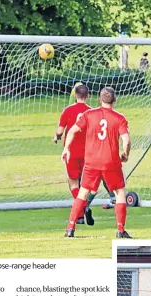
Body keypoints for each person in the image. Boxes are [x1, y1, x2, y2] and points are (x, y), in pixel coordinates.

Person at [61, 87, 131, 238]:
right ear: (115, 100)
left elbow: (72, 130)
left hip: (91, 162)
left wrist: (66, 148)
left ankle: (70, 228)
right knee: (120, 193)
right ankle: (120, 230)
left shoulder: (89, 114)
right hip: (111, 162)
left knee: (83, 192)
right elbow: (126, 139)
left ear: (99, 100)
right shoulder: (119, 118)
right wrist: (125, 153)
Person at [54, 84, 94, 225]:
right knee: (84, 184)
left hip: (71, 151)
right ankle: (82, 214)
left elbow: (60, 131)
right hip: (88, 152)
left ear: (75, 95)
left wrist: (56, 137)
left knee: (73, 183)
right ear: (88, 96)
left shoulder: (68, 110)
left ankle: (82, 210)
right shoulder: (92, 112)